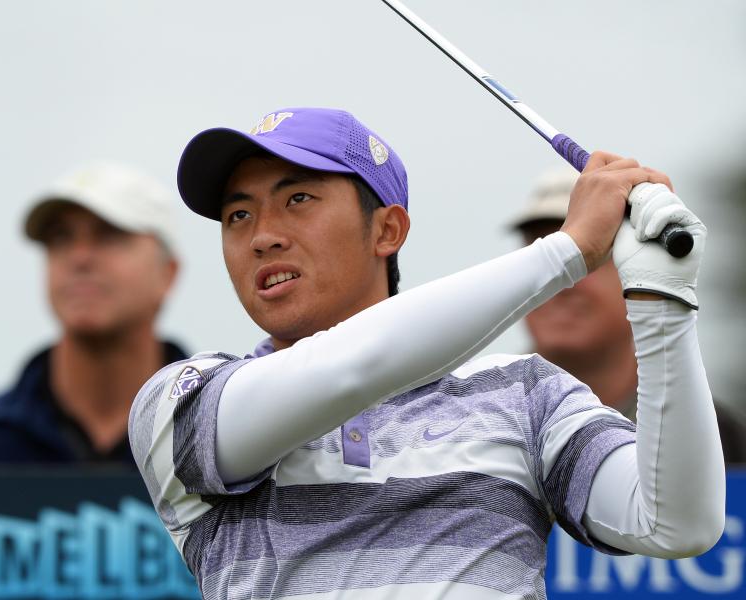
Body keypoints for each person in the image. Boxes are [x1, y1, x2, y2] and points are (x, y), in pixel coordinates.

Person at [129, 108, 725, 599]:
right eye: (238, 214)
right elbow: (352, 367)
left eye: (299, 198)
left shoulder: (525, 392)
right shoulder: (181, 399)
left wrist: (663, 301)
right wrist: (566, 251)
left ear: (387, 231)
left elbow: (676, 522)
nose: (262, 236)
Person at [0, 162, 187, 465]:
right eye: (61, 238)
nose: (80, 257)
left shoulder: (220, 435)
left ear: (168, 273)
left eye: (110, 235)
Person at [511, 166, 746, 463]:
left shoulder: (720, 440)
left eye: (588, 256)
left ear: (640, 267)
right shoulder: (471, 422)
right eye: (543, 254)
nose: (563, 282)